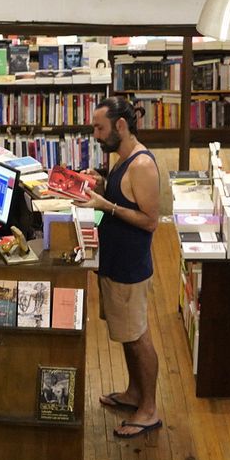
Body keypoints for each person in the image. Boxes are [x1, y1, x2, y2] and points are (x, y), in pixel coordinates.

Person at [78, 97, 162, 438]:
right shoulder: (121, 158)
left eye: (100, 127)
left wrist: (106, 206)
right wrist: (100, 185)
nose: (96, 134)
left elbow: (150, 220)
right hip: (114, 262)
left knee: (138, 336)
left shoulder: (141, 165)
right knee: (127, 335)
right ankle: (133, 393)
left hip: (129, 266)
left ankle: (149, 409)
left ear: (121, 126)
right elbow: (120, 197)